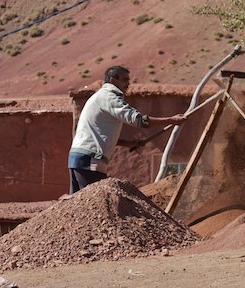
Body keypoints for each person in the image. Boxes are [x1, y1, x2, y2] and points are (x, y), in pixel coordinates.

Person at [68, 65, 186, 194]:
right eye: (124, 80)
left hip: (80, 158)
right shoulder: (109, 97)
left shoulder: (101, 96)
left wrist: (128, 143)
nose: (128, 84)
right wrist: (172, 120)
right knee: (92, 200)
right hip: (89, 160)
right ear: (113, 81)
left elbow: (100, 133)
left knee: (79, 202)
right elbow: (138, 120)